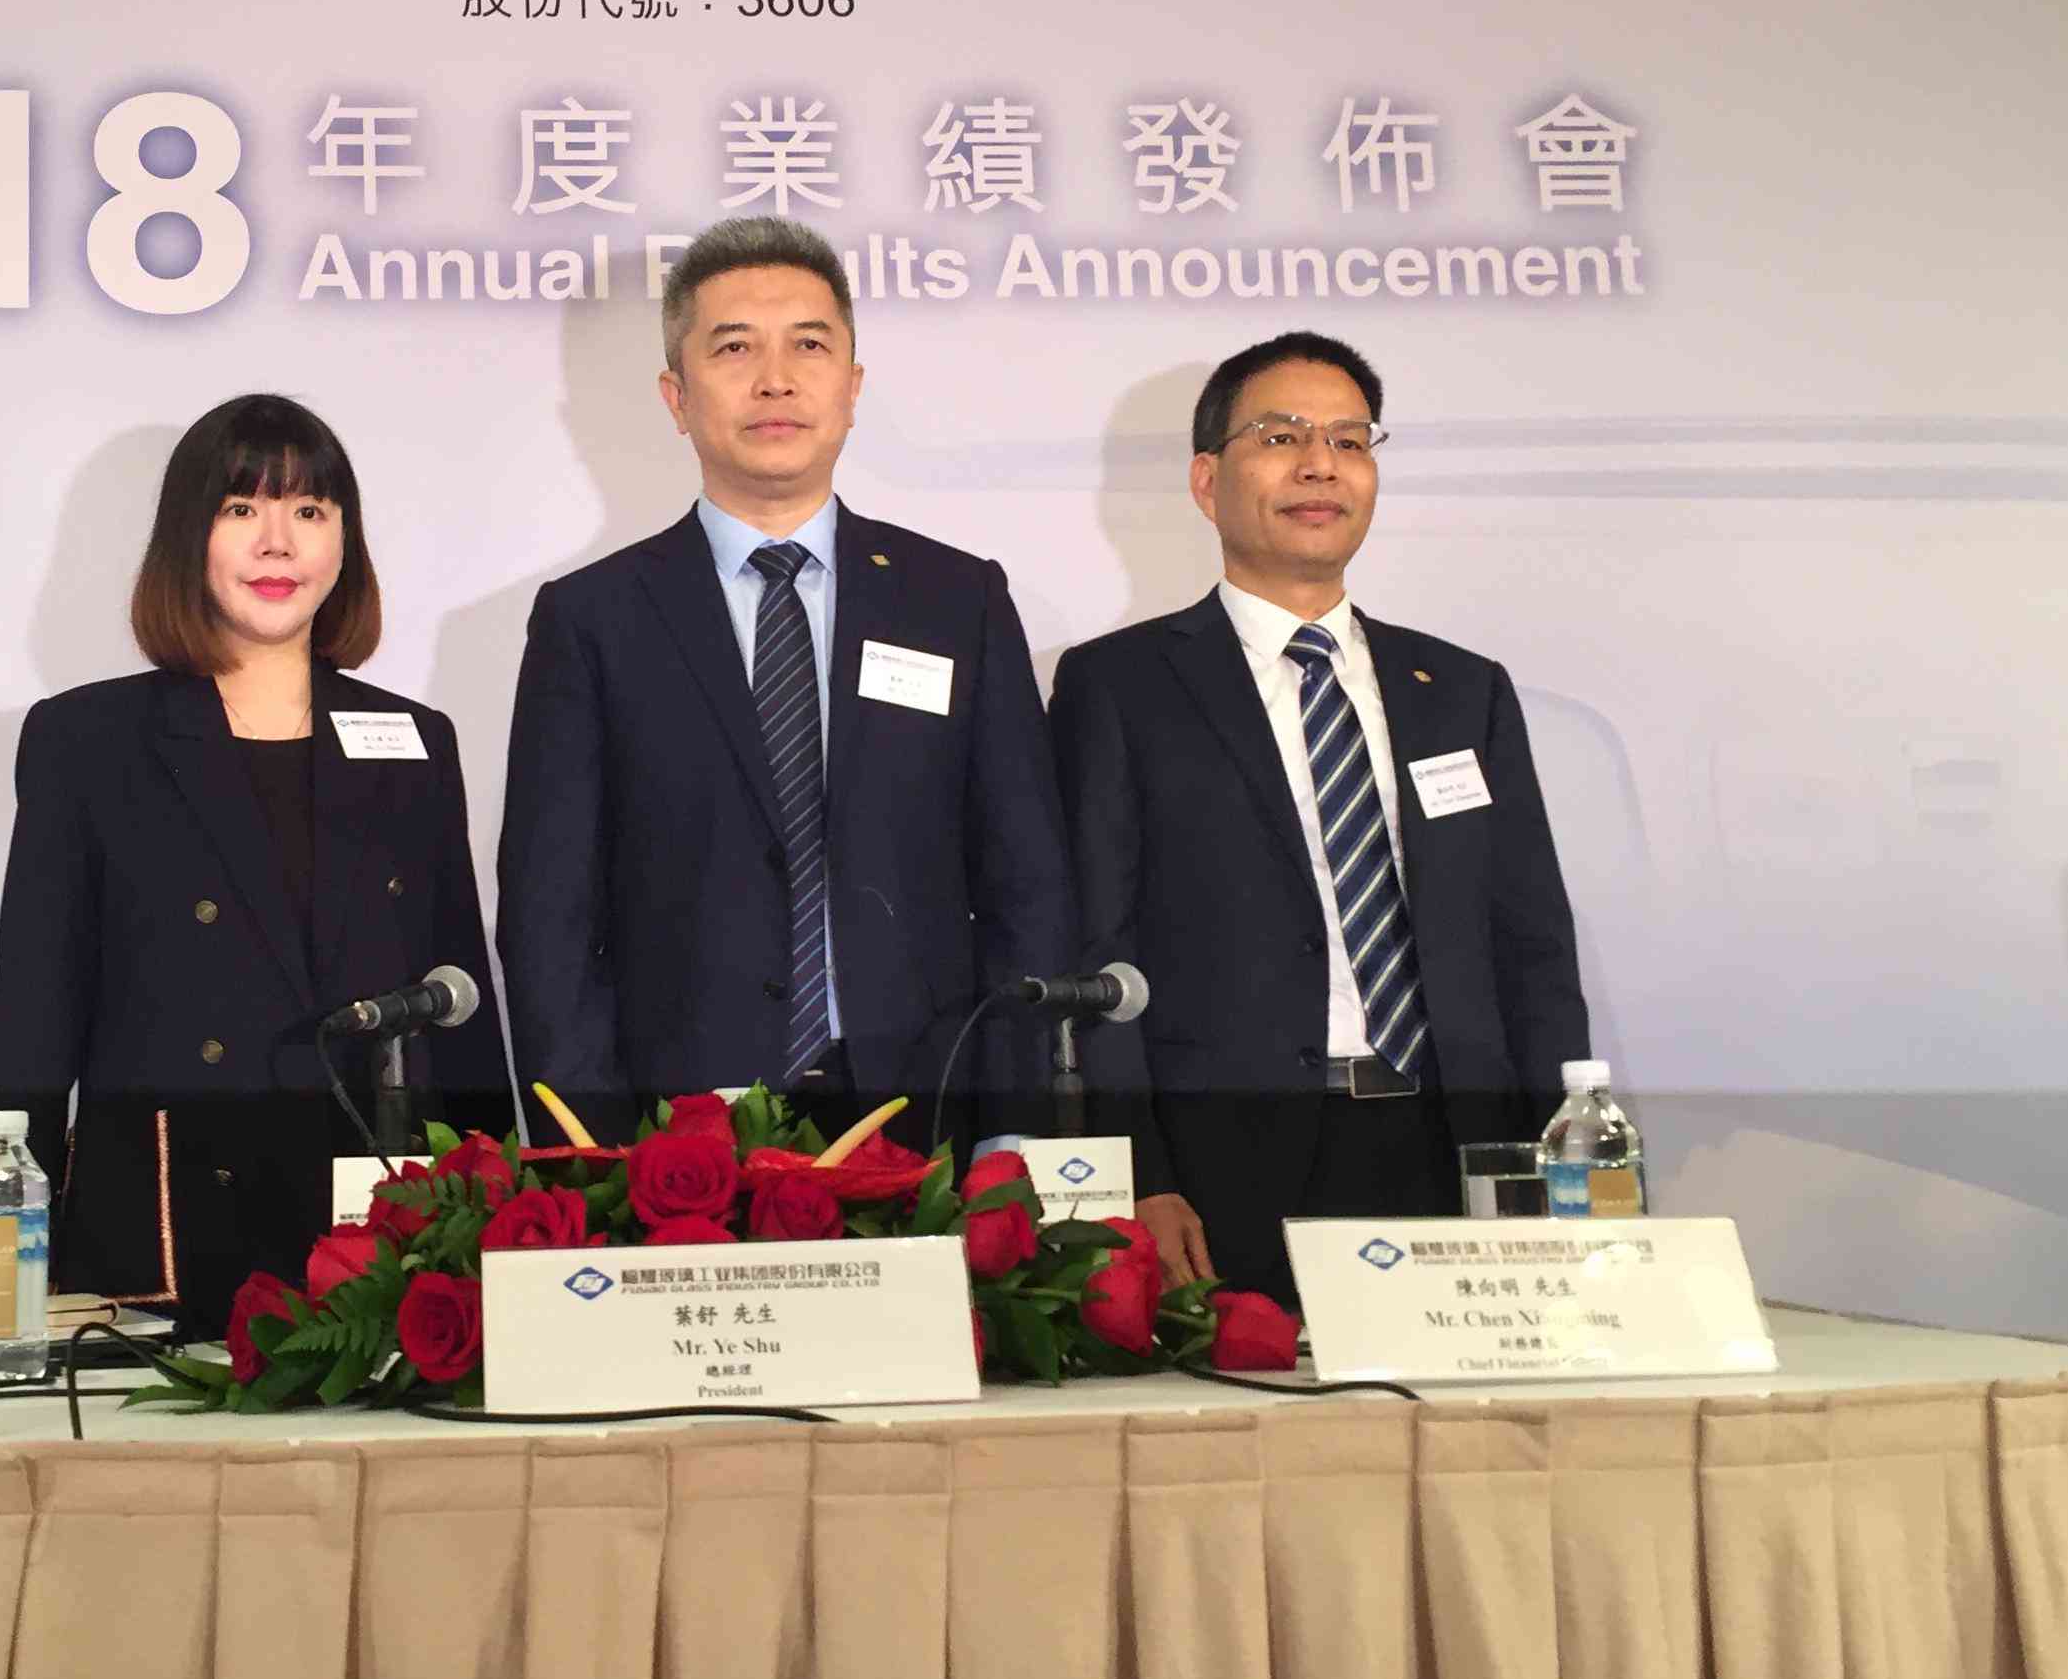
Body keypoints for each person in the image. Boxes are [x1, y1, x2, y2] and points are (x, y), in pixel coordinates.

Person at [497, 215, 1075, 1140]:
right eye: (734, 348)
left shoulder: (956, 600)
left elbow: (1028, 885)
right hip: (680, 1135)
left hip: (927, 1109)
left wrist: (1016, 1129)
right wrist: (591, 1149)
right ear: (677, 397)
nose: (776, 379)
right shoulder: (593, 619)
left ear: (852, 387)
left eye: (809, 345)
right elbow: (548, 918)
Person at [1052, 334, 1589, 1306]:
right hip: (1226, 1166)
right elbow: (1098, 954)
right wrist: (1138, 1172)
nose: (1320, 464)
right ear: (1206, 480)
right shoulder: (1120, 686)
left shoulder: (1460, 691)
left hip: (1455, 1151)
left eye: (1349, 439)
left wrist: (1563, 1160)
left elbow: (1531, 948)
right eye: (1280, 436)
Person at [0, 395, 509, 1336]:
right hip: (165, 1226)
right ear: (188, 537)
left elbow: (457, 998)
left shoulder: (416, 741)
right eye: (241, 509)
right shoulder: (87, 739)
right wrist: (8, 1262)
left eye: (309, 510)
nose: (278, 543)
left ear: (344, 542)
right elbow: (35, 1017)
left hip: (378, 1232)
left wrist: (498, 1223)